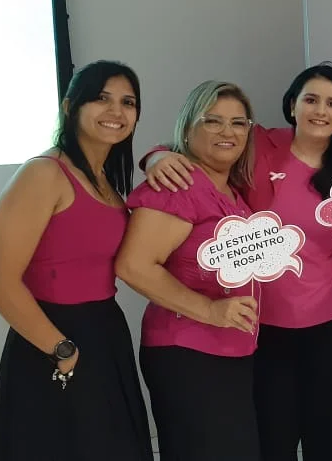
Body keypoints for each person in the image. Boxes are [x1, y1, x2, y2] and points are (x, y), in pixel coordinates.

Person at [140, 65, 332, 461]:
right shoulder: (260, 144)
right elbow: (197, 144)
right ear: (292, 105)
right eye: (311, 100)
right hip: (263, 324)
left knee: (323, 431)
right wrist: (155, 157)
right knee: (273, 436)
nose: (321, 111)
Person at [0, 60, 153, 461]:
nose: (116, 111)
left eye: (128, 102)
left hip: (105, 334)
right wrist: (62, 351)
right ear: (69, 106)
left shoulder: (105, 181)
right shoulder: (44, 174)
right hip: (54, 339)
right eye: (101, 98)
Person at [115, 81, 262, 461]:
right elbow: (133, 265)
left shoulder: (229, 189)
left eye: (238, 123)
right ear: (188, 127)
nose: (228, 131)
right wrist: (209, 310)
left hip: (229, 351)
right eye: (212, 121)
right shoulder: (178, 185)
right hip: (189, 354)